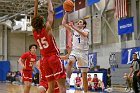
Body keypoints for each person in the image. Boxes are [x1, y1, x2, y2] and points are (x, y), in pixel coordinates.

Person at [31, 0, 66, 93]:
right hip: (53, 57)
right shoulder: (47, 28)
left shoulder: (34, 32)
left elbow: (35, 18)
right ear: (42, 21)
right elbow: (50, 12)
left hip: (45, 60)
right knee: (62, 87)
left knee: (50, 88)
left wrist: (36, 5)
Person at [62, 12, 90, 92]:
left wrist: (73, 27)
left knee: (84, 75)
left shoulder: (86, 30)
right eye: (78, 22)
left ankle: (86, 91)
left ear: (84, 25)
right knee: (70, 61)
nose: (78, 23)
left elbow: (84, 35)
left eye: (80, 22)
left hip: (84, 53)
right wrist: (66, 12)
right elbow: (63, 23)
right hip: (75, 51)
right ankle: (67, 79)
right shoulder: (73, 31)